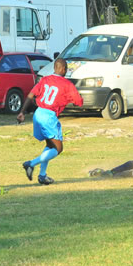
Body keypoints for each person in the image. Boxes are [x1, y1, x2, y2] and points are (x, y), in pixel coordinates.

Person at [17, 57, 83, 185]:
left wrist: (22, 112)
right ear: (63, 69)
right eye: (66, 69)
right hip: (49, 116)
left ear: (54, 68)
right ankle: (31, 164)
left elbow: (31, 95)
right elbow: (78, 102)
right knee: (58, 148)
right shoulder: (67, 84)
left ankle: (42, 176)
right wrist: (77, 100)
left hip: (38, 113)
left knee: (50, 145)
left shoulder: (45, 79)